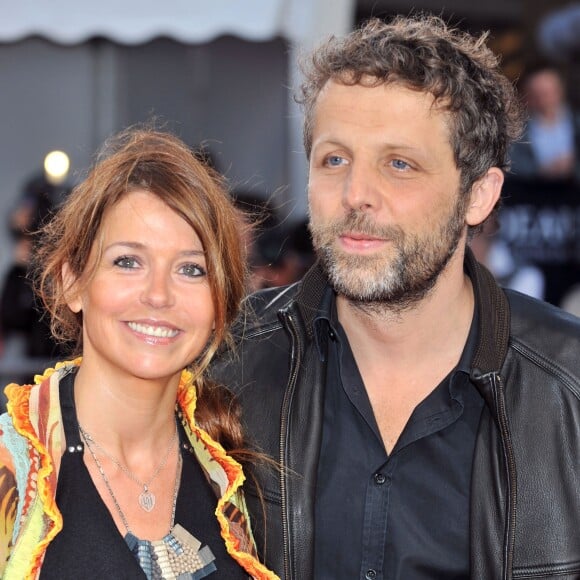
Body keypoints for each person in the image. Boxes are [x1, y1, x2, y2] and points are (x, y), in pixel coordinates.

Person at [212, 15, 580, 580]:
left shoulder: (568, 391)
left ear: (478, 195)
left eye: (399, 164)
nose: (356, 195)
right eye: (334, 160)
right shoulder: (224, 367)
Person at [0, 128, 277, 579]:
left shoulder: (244, 472)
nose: (158, 295)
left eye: (191, 269)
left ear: (220, 303)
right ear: (72, 281)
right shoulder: (13, 470)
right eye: (128, 261)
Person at [509, 64, 580, 182]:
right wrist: (540, 171)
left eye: (548, 92)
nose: (544, 100)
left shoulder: (576, 122)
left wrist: (573, 166)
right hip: (535, 194)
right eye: (537, 94)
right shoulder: (516, 131)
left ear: (560, 90)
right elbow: (512, 166)